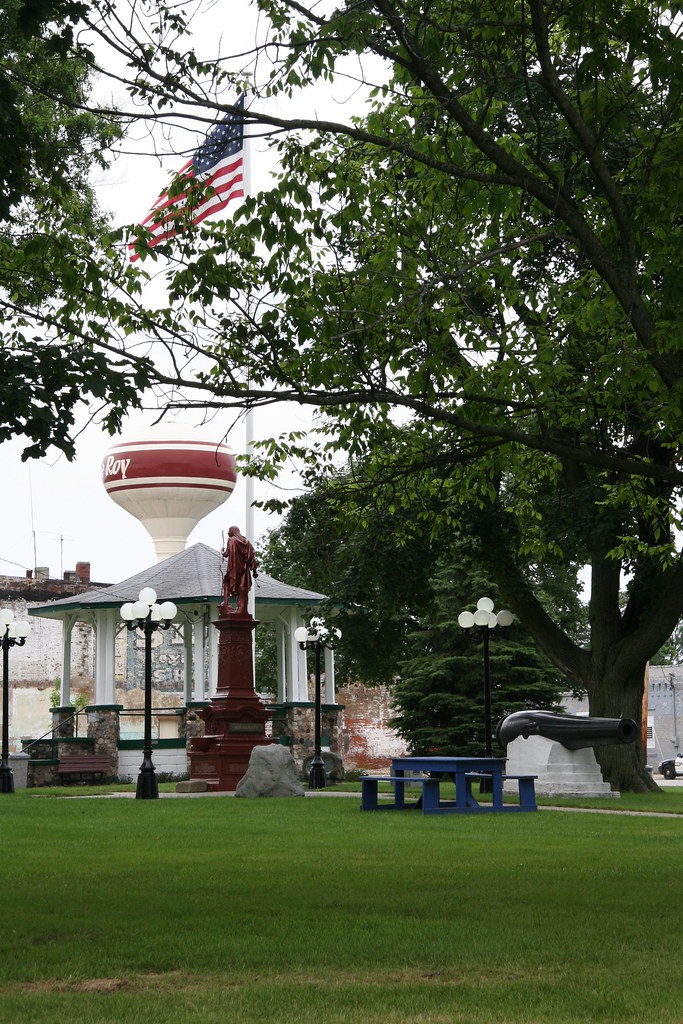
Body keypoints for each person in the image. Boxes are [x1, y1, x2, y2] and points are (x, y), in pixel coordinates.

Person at [221, 526, 258, 615]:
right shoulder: (247, 542)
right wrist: (254, 571)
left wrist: (222, 551)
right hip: (244, 571)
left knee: (226, 583)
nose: (227, 533)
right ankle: (242, 610)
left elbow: (226, 553)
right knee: (243, 589)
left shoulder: (231, 540)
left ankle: (226, 604)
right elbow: (252, 557)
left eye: (229, 531)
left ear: (233, 531)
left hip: (234, 570)